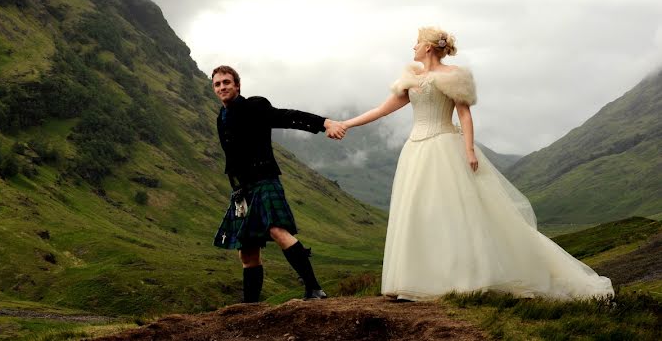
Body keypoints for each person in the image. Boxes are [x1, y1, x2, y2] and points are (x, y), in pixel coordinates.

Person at [340, 27, 614, 301]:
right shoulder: (411, 78)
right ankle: (415, 281)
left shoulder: (453, 77)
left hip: (444, 146)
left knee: (449, 212)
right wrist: (346, 124)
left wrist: (469, 150)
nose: (413, 47)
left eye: (417, 42)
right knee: (418, 211)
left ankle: (461, 279)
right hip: (415, 150)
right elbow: (381, 110)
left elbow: (465, 115)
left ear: (429, 47)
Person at [211, 65, 346, 302]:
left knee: (277, 230)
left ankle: (314, 289)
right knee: (247, 250)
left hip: (264, 180)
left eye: (226, 82)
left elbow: (286, 116)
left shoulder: (254, 106)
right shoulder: (221, 119)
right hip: (243, 189)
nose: (222, 87)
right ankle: (250, 306)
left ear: (237, 85)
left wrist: (323, 123)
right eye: (217, 84)